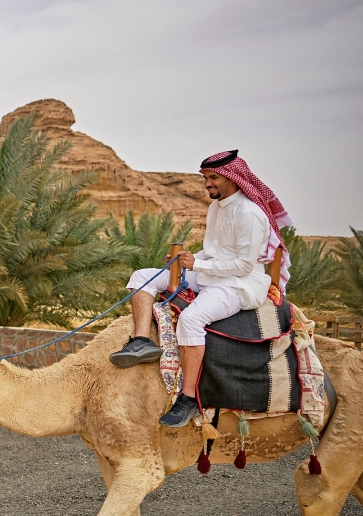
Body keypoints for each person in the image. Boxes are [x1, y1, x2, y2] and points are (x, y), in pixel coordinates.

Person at [109, 150, 294, 426]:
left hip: (239, 285)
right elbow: (212, 251)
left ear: (233, 178)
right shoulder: (216, 207)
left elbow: (243, 265)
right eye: (206, 178)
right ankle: (141, 342)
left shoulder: (251, 214)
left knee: (192, 318)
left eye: (213, 178)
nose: (208, 183)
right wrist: (184, 261)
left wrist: (196, 264)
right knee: (142, 277)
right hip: (211, 275)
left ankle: (189, 398)